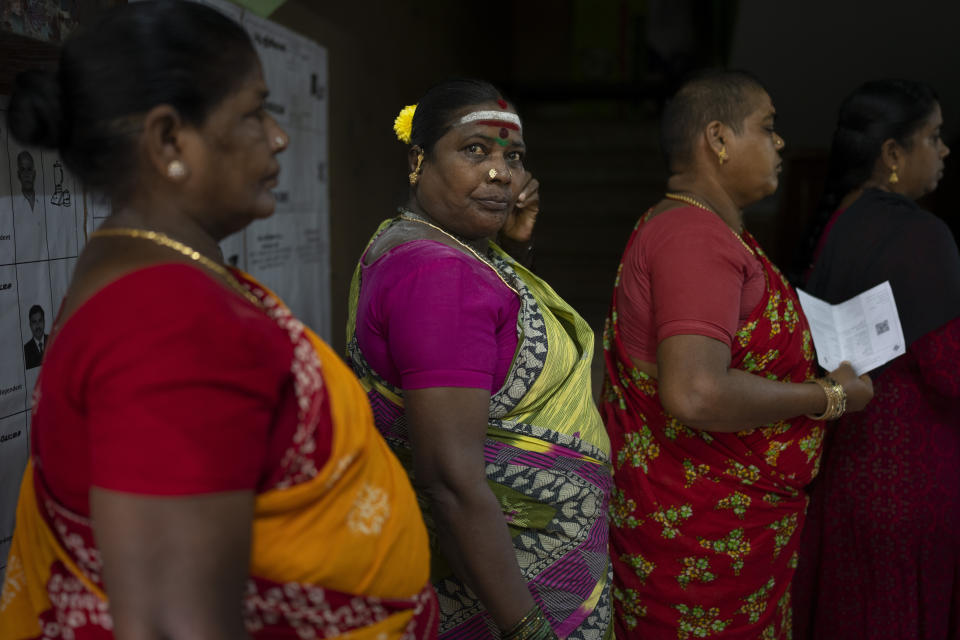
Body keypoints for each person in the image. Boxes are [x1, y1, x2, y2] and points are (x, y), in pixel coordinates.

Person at [0, 3, 437, 639]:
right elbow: (171, 623)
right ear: (170, 140)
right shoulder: (172, 323)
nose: (279, 137)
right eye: (254, 112)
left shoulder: (136, 265)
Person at [598, 69, 873, 639]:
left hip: (728, 535)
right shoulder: (693, 237)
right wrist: (830, 396)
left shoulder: (705, 230)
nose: (779, 144)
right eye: (767, 128)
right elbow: (696, 392)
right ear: (718, 139)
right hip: (698, 543)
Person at [346, 79, 613, 640]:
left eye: (513, 157)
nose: (501, 174)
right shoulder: (440, 276)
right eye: (475, 151)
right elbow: (450, 481)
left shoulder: (422, 245)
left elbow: (491, 354)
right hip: (505, 598)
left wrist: (514, 250)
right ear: (419, 159)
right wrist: (527, 629)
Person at [793, 79, 959, 640]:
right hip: (915, 486)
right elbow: (949, 374)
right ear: (892, 154)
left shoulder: (840, 221)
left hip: (847, 479)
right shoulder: (922, 236)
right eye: (932, 137)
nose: (943, 151)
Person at [22, 304, 46, 369]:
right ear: (30, 325)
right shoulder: (25, 350)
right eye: (34, 322)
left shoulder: (53, 341)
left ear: (44, 322)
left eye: (40, 320)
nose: (38, 325)